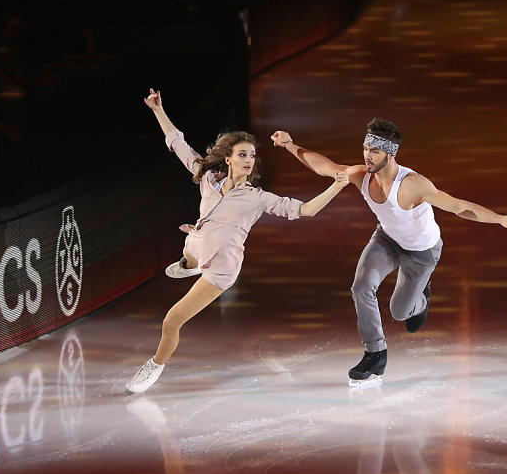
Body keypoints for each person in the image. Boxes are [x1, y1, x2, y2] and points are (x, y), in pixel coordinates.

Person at [126, 89, 350, 394]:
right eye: (242, 154)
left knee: (171, 321)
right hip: (199, 244)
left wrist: (336, 186)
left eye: (252, 155)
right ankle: (187, 264)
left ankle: (154, 365)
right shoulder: (207, 177)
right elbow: (178, 143)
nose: (249, 160)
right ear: (228, 158)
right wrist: (157, 110)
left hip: (220, 267)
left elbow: (306, 210)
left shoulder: (257, 198)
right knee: (192, 242)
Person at [272, 119, 507, 385]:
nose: (367, 156)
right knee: (361, 287)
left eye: (375, 151)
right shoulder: (361, 175)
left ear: (391, 154)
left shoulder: (412, 184)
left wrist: (499, 218)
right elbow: (326, 167)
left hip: (422, 252)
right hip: (387, 240)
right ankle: (375, 352)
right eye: (365, 149)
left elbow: (458, 207)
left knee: (400, 312)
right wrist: (290, 145)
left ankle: (422, 299)